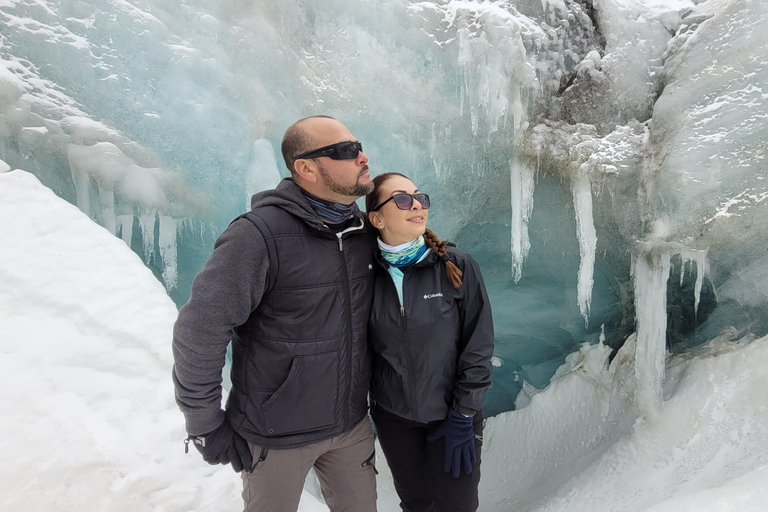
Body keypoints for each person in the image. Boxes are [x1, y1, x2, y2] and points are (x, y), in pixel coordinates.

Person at [172, 115, 379, 512]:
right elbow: (200, 329)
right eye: (347, 151)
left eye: (359, 145)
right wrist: (203, 423)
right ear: (306, 168)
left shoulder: (362, 233)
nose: (362, 157)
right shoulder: (257, 236)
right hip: (274, 436)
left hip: (350, 427)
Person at [364, 172, 494, 512]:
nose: (417, 205)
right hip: (395, 421)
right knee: (417, 504)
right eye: (403, 200)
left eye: (420, 198)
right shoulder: (365, 275)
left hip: (452, 416)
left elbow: (478, 344)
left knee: (457, 506)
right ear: (376, 218)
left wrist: (464, 414)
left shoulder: (454, 264)